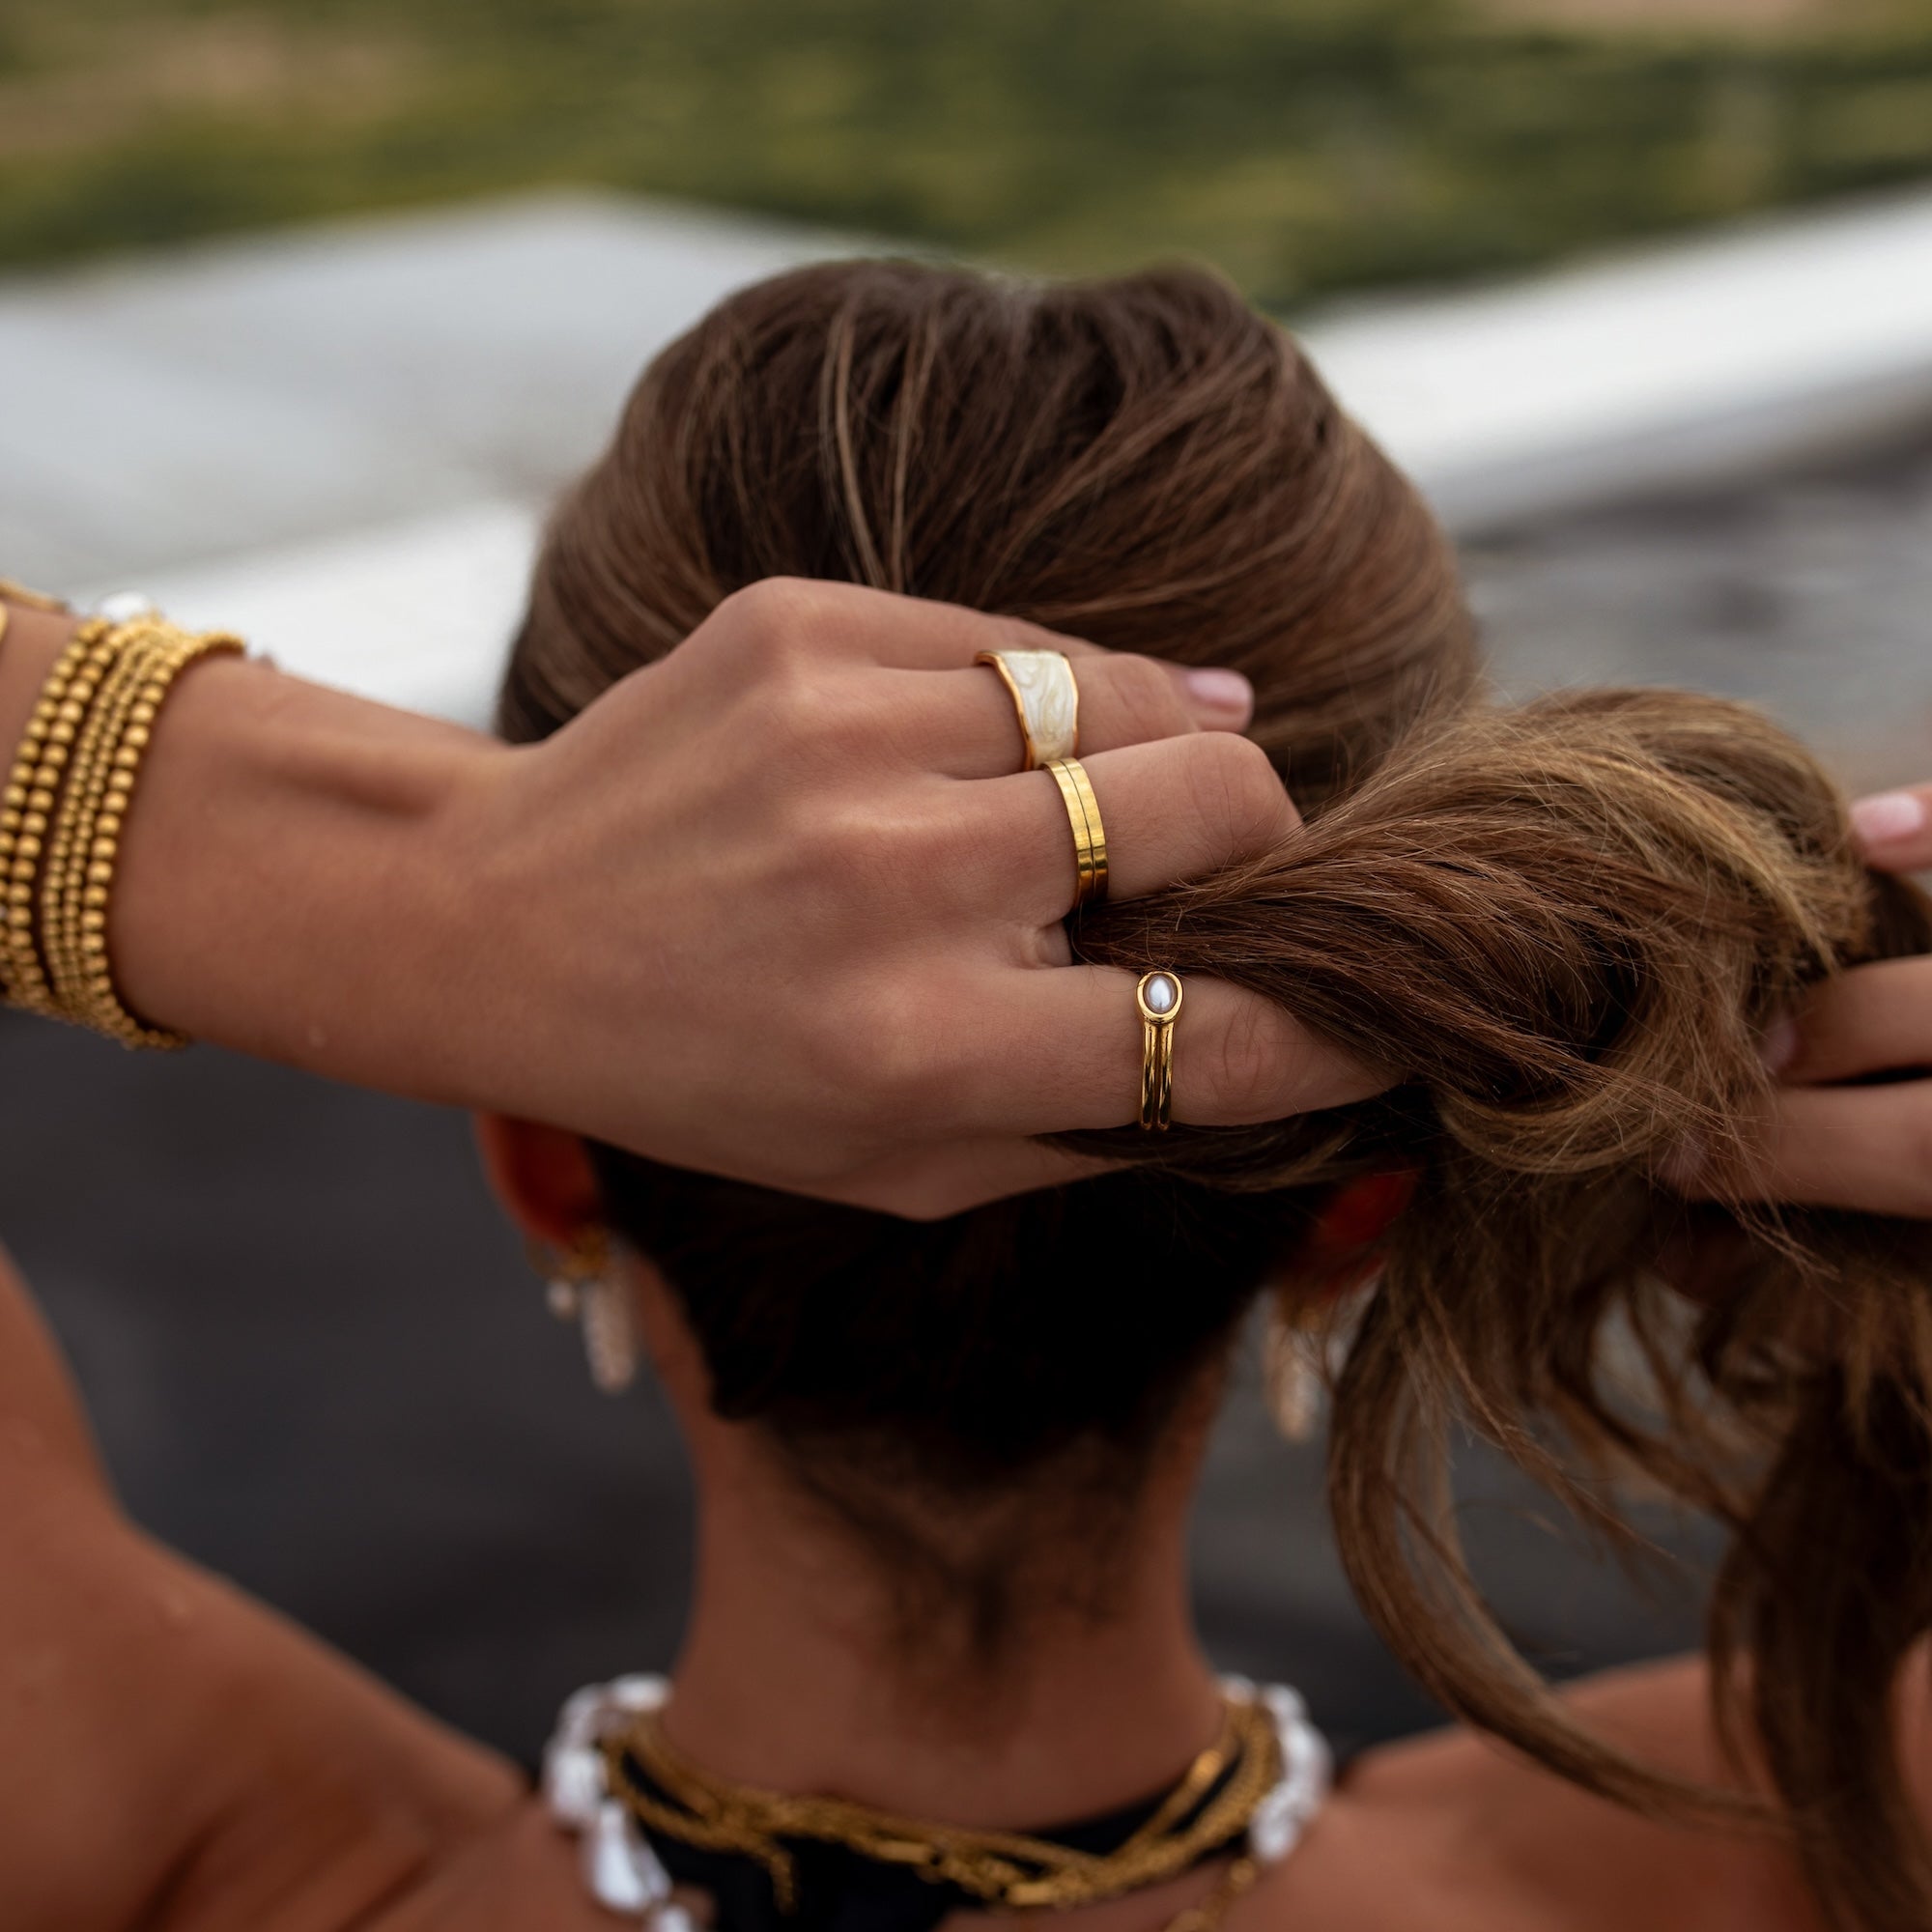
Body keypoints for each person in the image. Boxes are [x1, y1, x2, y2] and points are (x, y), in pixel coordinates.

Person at [0, 258, 1928, 1932]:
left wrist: (424, 898)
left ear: (539, 1156)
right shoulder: (1785, 1849)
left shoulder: (180, 1851)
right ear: (1364, 1202)